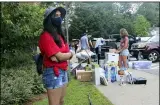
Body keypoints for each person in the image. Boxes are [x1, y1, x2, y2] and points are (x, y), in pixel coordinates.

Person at [38, 7, 74, 105]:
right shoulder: (46, 36)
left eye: (60, 16)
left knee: (61, 101)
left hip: (63, 71)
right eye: (56, 15)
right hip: (52, 73)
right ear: (49, 18)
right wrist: (70, 54)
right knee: (55, 103)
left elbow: (61, 55)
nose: (59, 18)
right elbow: (60, 57)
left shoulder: (59, 36)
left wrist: (63, 55)